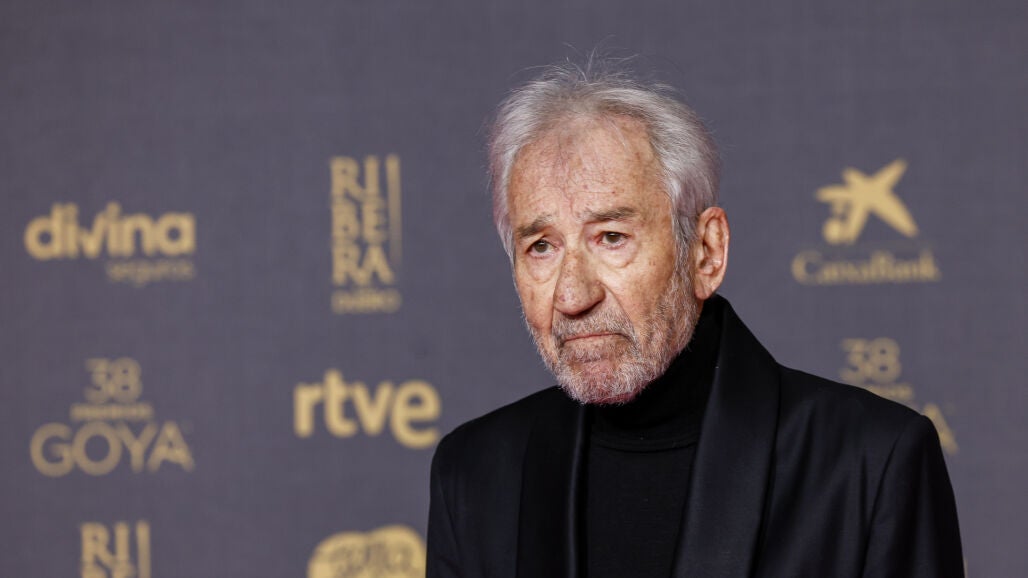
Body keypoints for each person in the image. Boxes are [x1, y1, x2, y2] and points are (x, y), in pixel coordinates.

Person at [427, 59, 963, 578]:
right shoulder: (473, 473)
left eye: (611, 237)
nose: (572, 295)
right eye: (541, 247)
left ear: (706, 252)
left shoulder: (873, 461)